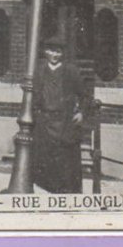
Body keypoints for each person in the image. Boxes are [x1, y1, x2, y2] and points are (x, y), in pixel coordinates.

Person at [32, 39, 92, 193]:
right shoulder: (38, 71)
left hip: (65, 122)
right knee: (45, 161)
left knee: (67, 161)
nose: (55, 55)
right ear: (45, 52)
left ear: (63, 53)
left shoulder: (71, 71)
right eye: (51, 51)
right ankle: (48, 191)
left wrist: (81, 112)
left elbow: (85, 95)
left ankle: (66, 193)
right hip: (45, 122)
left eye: (58, 51)